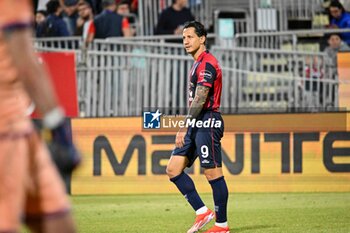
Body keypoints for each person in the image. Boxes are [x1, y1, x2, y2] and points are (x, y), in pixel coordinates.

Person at [0, 0, 80, 232]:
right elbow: (26, 63)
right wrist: (60, 131)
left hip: (20, 128)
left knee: (60, 222)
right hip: (6, 130)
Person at [166, 21, 230, 233]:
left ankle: (222, 225)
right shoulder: (197, 63)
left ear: (202, 38)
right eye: (183, 38)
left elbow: (201, 98)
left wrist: (184, 126)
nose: (185, 41)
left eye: (190, 37)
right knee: (173, 169)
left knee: (212, 173)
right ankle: (203, 211)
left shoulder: (207, 63)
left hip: (208, 121)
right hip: (197, 122)